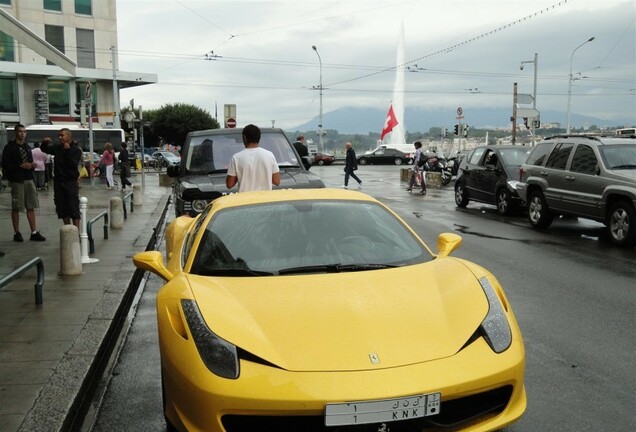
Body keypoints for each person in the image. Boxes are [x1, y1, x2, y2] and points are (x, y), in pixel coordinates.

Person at [1, 124, 46, 242]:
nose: (23, 134)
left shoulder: (27, 147)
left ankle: (34, 232)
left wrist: (31, 166)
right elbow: (5, 164)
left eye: (24, 132)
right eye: (20, 131)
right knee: (16, 207)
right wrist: (21, 166)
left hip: (28, 178)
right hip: (17, 180)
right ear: (16, 133)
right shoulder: (9, 147)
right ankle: (17, 232)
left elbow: (29, 161)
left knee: (31, 205)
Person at [41, 127, 83, 229]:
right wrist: (44, 142)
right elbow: (45, 149)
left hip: (70, 182)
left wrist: (67, 150)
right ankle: (68, 230)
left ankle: (76, 231)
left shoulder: (76, 150)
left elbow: (73, 164)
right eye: (59, 135)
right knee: (61, 207)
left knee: (73, 206)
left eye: (62, 135)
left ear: (69, 136)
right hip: (59, 181)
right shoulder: (57, 147)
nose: (60, 137)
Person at [226, 124, 280, 192]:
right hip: (265, 200)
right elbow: (277, 181)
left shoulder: (236, 158)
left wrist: (240, 174)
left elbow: (229, 184)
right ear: (259, 138)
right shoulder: (269, 155)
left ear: (244, 138)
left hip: (245, 201)